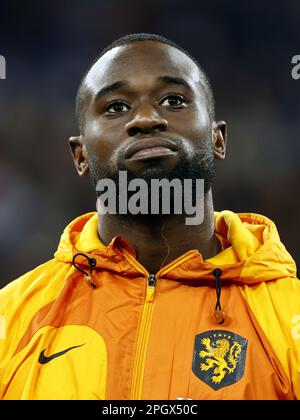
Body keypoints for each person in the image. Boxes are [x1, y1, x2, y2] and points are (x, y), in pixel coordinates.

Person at [0, 33, 299, 400]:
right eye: (115, 107)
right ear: (80, 155)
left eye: (173, 100)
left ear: (218, 139)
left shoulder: (290, 319)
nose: (145, 119)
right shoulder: (10, 321)